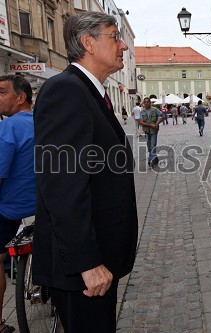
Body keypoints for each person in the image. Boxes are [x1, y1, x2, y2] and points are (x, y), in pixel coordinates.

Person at [32, 12, 138, 333]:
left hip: (100, 256)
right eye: (114, 37)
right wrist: (87, 262)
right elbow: (63, 187)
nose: (123, 46)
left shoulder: (90, 92)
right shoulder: (65, 91)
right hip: (84, 269)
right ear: (88, 43)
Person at [0, 74, 35, 333]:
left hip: (10, 207)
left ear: (21, 97)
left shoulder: (9, 127)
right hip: (42, 203)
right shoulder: (44, 123)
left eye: (2, 92)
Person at [139, 97, 164, 166]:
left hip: (154, 131)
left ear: (150, 102)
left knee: (153, 145)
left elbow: (163, 116)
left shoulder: (155, 110)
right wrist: (150, 124)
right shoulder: (142, 111)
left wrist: (157, 123)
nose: (146, 103)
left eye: (148, 102)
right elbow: (140, 122)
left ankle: (151, 160)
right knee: (149, 146)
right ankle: (155, 159)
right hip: (147, 131)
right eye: (145, 102)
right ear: (144, 103)